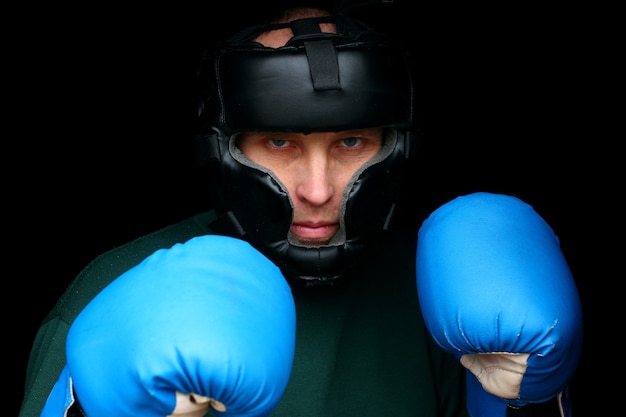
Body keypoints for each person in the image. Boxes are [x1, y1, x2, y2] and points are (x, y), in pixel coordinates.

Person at [20, 2, 583, 417]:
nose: (318, 190)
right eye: (281, 144)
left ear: (394, 147)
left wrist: (533, 399)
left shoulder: (444, 289)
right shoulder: (117, 286)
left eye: (351, 144)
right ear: (226, 150)